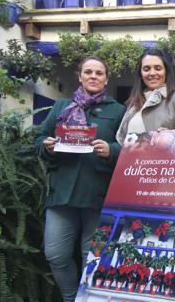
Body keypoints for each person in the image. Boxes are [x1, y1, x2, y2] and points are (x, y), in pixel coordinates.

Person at [36, 56, 126, 302]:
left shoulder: (118, 111)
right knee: (55, 254)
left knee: (91, 256)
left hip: (98, 194)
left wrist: (112, 150)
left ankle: (86, 299)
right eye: (88, 72)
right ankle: (69, 296)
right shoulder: (61, 106)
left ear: (106, 78)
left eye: (99, 73)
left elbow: (128, 147)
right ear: (80, 76)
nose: (93, 76)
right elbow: (39, 138)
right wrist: (47, 146)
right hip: (62, 193)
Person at [116, 48, 175, 144]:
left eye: (158, 68)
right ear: (141, 74)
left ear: (166, 72)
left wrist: (170, 137)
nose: (152, 73)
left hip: (165, 158)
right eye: (146, 69)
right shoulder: (133, 105)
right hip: (135, 158)